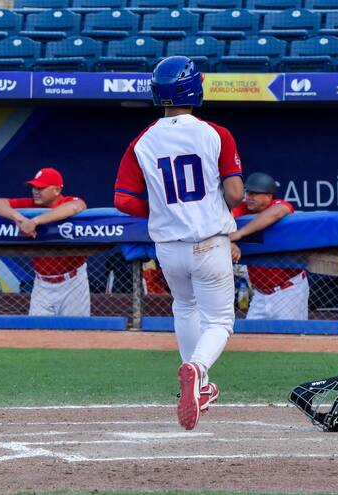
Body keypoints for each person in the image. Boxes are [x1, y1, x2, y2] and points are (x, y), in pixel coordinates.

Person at [114, 56, 244, 430]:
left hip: (168, 246)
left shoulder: (142, 141)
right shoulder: (215, 133)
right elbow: (235, 194)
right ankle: (197, 369)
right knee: (220, 320)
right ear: (194, 88)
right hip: (208, 241)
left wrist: (160, 209)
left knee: (184, 307)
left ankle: (197, 386)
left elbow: (123, 199)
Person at [0, 167, 89, 316]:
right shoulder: (30, 204)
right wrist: (19, 218)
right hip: (42, 283)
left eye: (41, 188)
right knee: (37, 331)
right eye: (33, 187)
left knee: (76, 332)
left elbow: (76, 207)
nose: (35, 191)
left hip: (73, 281)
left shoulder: (69, 201)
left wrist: (35, 221)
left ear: (57, 190)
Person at [230, 172, 307, 320]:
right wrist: (230, 241)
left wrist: (240, 233)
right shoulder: (243, 208)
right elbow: (222, 217)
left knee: (291, 339)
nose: (249, 197)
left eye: (255, 194)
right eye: (248, 192)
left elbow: (277, 212)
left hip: (289, 290)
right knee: (250, 338)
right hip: (259, 293)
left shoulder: (279, 205)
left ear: (269, 196)